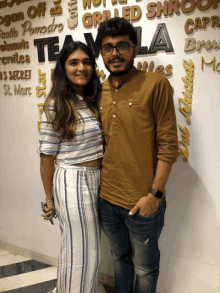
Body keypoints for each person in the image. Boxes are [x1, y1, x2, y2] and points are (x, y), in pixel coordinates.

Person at [97, 17, 179, 293]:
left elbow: (168, 145)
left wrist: (154, 196)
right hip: (107, 200)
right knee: (120, 260)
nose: (115, 53)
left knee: (145, 269)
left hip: (142, 202)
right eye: (107, 47)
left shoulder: (155, 84)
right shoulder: (99, 91)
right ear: (101, 52)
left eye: (122, 45)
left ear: (135, 48)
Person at [38, 41, 103, 293]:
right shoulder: (57, 103)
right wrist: (49, 198)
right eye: (74, 62)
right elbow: (46, 157)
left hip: (96, 179)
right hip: (72, 180)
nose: (81, 68)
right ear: (63, 68)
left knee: (78, 248)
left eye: (86, 62)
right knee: (84, 252)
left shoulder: (91, 99)